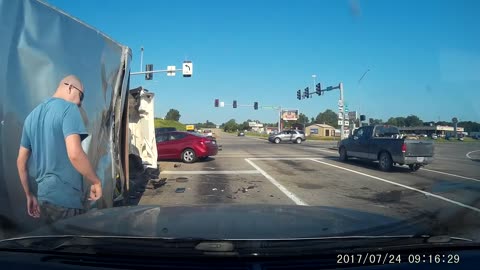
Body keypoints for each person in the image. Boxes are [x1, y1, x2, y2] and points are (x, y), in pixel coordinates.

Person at [16, 75, 102, 224]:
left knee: (53, 245)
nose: (80, 103)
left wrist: (29, 195)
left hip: (44, 200)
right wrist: (96, 182)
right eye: (81, 96)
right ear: (69, 87)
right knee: (75, 246)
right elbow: (75, 153)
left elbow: (20, 162)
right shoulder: (69, 108)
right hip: (66, 200)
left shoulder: (31, 117)